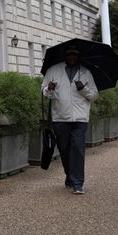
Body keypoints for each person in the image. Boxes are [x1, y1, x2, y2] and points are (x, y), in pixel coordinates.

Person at [41, 45, 98, 194]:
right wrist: (50, 88)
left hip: (80, 118)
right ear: (65, 56)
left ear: (79, 56)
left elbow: (94, 95)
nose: (72, 57)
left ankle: (78, 183)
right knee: (64, 149)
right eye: (69, 54)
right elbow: (44, 92)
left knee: (78, 149)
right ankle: (69, 175)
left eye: (75, 54)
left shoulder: (86, 72)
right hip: (60, 117)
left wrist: (83, 89)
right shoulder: (53, 70)